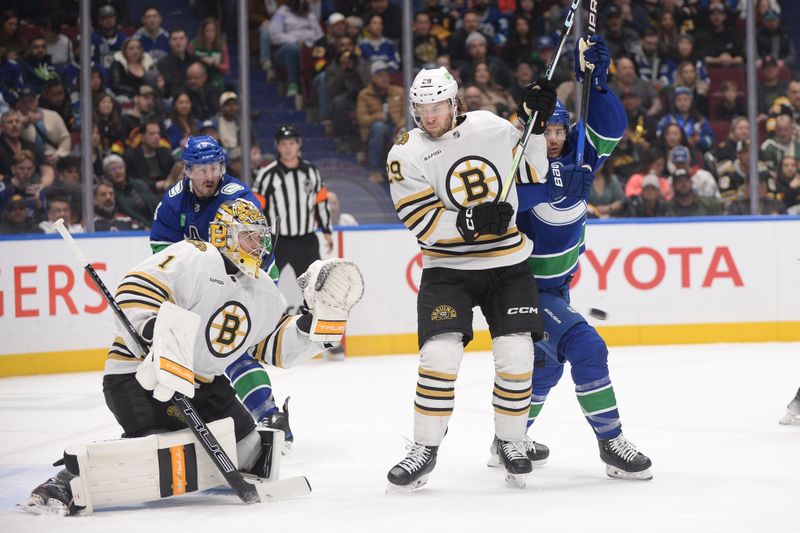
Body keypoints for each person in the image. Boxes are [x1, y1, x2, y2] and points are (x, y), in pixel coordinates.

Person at [18, 197, 363, 516]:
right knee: (157, 454)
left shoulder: (263, 290)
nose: (258, 246)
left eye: (261, 238)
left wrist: (311, 328)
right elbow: (135, 287)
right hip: (138, 375)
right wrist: (155, 333)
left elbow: (271, 347)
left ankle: (173, 456)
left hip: (203, 383)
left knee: (253, 451)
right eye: (249, 237)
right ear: (224, 234)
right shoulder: (194, 256)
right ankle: (67, 478)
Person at [385, 66, 556, 492]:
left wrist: (534, 123)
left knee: (517, 355)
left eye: (437, 107)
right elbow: (421, 223)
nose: (429, 117)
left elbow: (533, 172)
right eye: (421, 109)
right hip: (448, 269)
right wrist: (471, 220)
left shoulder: (491, 126)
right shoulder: (404, 153)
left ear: (455, 103)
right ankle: (424, 447)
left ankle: (510, 441)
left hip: (506, 264)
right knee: (439, 358)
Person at [513, 35, 653, 480]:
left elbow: (612, 128)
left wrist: (598, 85)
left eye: (559, 131)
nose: (553, 139)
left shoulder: (579, 153)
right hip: (522, 287)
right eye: (545, 131)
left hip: (558, 286)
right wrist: (549, 188)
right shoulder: (516, 161)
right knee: (587, 347)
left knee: (548, 365)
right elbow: (501, 204)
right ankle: (611, 442)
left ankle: (511, 437)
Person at [148, 135, 289, 440]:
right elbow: (161, 250)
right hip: (206, 285)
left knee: (230, 347)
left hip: (250, 278)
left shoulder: (237, 195)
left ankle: (269, 415)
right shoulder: (174, 201)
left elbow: (257, 250)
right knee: (208, 350)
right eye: (202, 169)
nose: (210, 175)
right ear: (187, 170)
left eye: (215, 167)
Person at [253, 125, 332, 281]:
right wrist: (258, 235)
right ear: (277, 146)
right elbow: (257, 207)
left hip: (306, 240)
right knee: (265, 282)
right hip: (276, 241)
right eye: (283, 144)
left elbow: (321, 201)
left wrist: (327, 230)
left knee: (315, 286)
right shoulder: (267, 174)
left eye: (291, 143)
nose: (288, 148)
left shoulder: (311, 171)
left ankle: (313, 307)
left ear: (298, 144)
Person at [356, 60, 404, 182]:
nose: (384, 78)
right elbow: (361, 119)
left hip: (397, 128)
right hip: (374, 132)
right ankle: (375, 170)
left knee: (404, 131)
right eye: (380, 75)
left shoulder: (399, 91)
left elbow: (409, 113)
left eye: (386, 75)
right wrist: (376, 117)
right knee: (379, 127)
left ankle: (399, 174)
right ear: (372, 77)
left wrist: (400, 126)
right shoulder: (364, 94)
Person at [123, 119, 175, 194]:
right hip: (144, 195)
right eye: (152, 134)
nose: (156, 137)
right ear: (142, 137)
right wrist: (154, 185)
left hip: (167, 191)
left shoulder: (165, 152)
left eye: (158, 133)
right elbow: (132, 182)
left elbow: (173, 172)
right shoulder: (131, 157)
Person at [189, 17, 230, 92]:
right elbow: (188, 64)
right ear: (203, 32)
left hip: (215, 82)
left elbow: (226, 68)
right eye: (207, 30)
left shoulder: (221, 46)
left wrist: (215, 63)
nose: (210, 34)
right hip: (198, 82)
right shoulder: (194, 45)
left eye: (212, 31)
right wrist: (201, 60)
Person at [156, 27, 196, 98]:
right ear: (169, 42)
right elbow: (169, 87)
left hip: (193, 97)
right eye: (175, 39)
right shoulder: (163, 63)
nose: (178, 42)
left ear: (186, 40)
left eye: (181, 38)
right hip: (173, 99)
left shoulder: (194, 61)